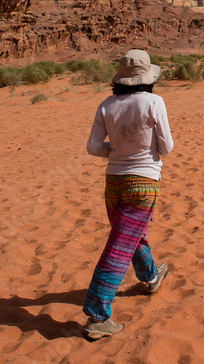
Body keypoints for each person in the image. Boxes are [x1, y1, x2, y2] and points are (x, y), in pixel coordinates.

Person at [82, 49, 174, 340]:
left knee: (129, 236)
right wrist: (139, 153)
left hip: (114, 182)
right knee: (119, 247)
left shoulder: (107, 105)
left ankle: (150, 276)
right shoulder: (154, 102)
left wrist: (120, 151)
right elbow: (167, 147)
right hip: (143, 182)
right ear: (148, 78)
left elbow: (95, 148)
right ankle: (97, 317)